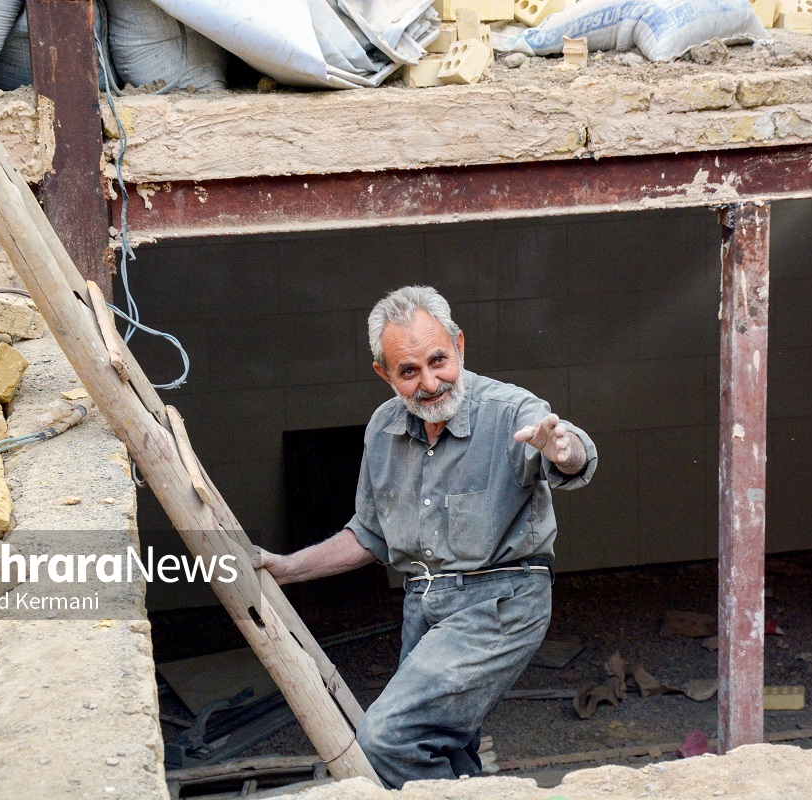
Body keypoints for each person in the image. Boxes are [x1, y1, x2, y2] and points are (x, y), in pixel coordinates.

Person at [252, 284, 597, 788]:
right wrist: (287, 568)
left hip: (501, 602)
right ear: (384, 374)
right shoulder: (382, 430)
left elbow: (568, 451)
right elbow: (368, 535)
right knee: (443, 747)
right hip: (425, 605)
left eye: (439, 360)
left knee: (384, 739)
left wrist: (564, 450)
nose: (431, 382)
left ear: (459, 344)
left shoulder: (509, 409)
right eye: (409, 372)